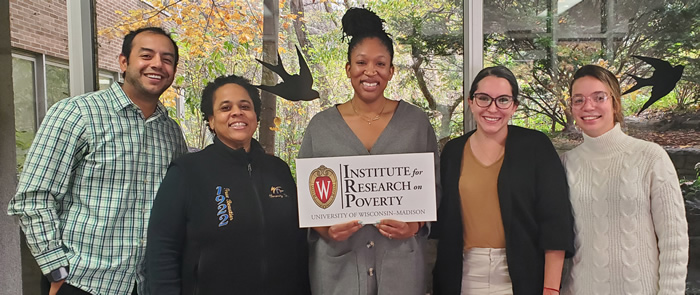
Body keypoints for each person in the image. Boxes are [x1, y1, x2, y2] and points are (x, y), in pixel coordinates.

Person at [7, 27, 187, 295]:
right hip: (82, 282)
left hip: (145, 285)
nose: (157, 65)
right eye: (146, 55)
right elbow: (34, 198)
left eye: (167, 59)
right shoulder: (77, 113)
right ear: (124, 62)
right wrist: (56, 269)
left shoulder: (170, 131)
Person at [298, 7, 440, 295]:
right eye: (361, 62)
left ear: (391, 70)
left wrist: (413, 226)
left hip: (400, 269)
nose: (370, 71)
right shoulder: (320, 126)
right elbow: (307, 198)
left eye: (380, 63)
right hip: (339, 272)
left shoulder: (415, 123)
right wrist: (326, 230)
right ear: (348, 68)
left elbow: (433, 191)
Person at [146, 74, 310, 294]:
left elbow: (299, 244)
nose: (237, 112)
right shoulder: (187, 172)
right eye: (225, 108)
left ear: (256, 116)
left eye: (245, 106)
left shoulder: (278, 170)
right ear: (211, 120)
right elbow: (162, 251)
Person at [432, 66, 575, 295]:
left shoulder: (536, 147)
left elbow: (555, 223)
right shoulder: (453, 151)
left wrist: (550, 288)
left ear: (514, 106)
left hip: (522, 277)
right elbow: (440, 218)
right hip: (463, 275)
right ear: (471, 102)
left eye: (503, 100)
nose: (492, 108)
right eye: (483, 99)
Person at [560, 65, 688, 294]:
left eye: (599, 97)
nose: (588, 106)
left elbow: (674, 239)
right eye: (578, 99)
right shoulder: (565, 163)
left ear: (615, 102)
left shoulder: (650, 156)